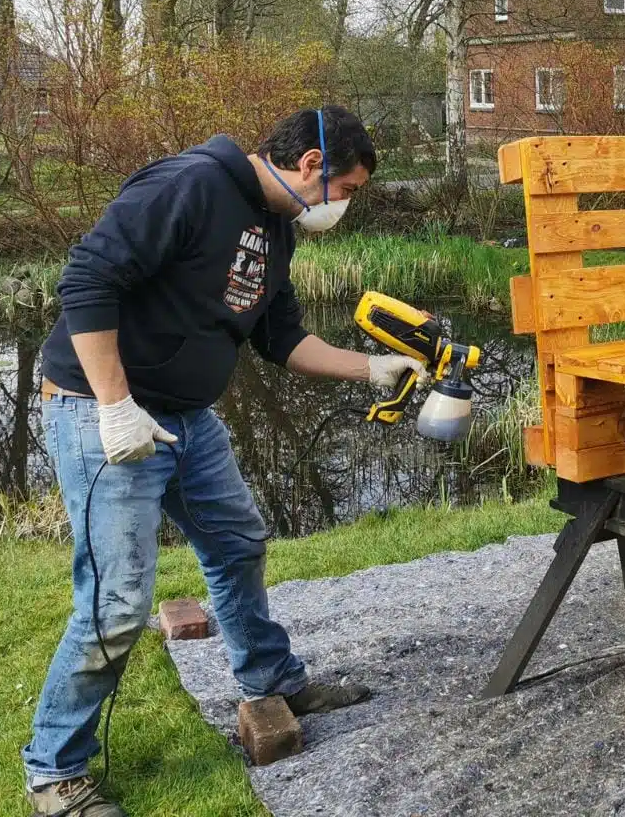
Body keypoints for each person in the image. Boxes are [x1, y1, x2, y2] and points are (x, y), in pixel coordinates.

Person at [22, 106, 414, 817]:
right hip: (98, 412)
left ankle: (272, 680)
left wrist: (371, 369)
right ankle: (56, 770)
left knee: (237, 545)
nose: (345, 206)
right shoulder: (192, 186)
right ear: (309, 166)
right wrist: (114, 404)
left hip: (185, 419)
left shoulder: (276, 232)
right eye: (348, 189)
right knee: (116, 606)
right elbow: (85, 281)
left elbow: (282, 339)